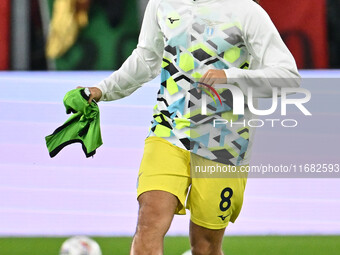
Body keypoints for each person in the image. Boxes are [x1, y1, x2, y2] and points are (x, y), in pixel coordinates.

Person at [85, 0, 300, 254]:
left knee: (205, 246)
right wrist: (103, 90)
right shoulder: (161, 4)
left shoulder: (246, 10)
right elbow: (146, 59)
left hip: (223, 139)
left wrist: (231, 78)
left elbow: (288, 77)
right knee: (149, 220)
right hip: (167, 130)